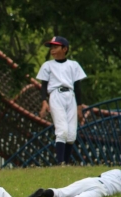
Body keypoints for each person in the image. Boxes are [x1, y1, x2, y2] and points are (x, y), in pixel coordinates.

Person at [36, 36, 87, 165]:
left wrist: (79, 106)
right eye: (51, 47)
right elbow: (43, 85)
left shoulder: (73, 65)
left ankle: (66, 163)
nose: (52, 50)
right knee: (62, 130)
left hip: (70, 96)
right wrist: (44, 101)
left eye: (56, 47)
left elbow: (78, 87)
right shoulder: (48, 65)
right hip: (56, 95)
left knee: (71, 134)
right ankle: (60, 163)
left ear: (65, 49)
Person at [23, 169, 121, 197]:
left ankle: (44, 193)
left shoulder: (116, 171)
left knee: (62, 192)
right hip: (103, 190)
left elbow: (100, 175)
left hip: (91, 180)